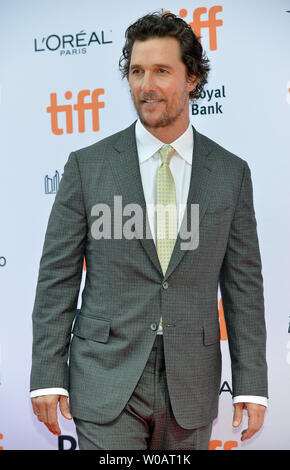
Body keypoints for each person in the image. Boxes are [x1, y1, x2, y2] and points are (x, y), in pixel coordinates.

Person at [30, 12, 268, 450]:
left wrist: (251, 383)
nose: (146, 85)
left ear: (192, 77)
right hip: (104, 375)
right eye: (137, 71)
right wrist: (47, 373)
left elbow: (244, 287)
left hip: (192, 382)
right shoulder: (88, 166)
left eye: (162, 71)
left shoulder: (231, 174)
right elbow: (56, 278)